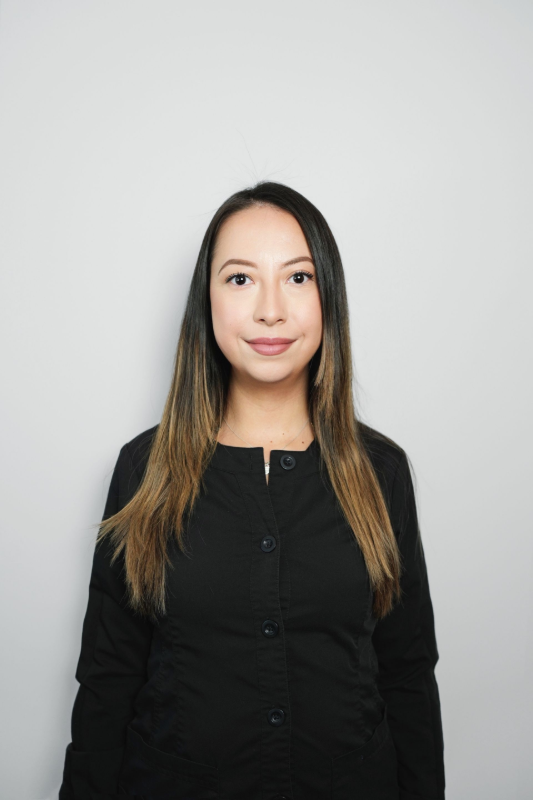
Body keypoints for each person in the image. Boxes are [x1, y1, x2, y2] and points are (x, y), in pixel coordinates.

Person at [59, 181, 445, 800]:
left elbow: (408, 677)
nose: (271, 309)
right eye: (240, 279)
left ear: (329, 300)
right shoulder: (143, 469)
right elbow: (108, 681)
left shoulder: (383, 472)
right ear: (206, 301)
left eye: (298, 278)